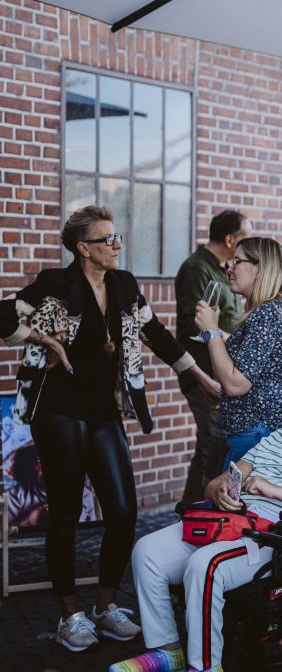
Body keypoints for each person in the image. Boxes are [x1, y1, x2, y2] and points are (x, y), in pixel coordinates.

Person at [0, 205, 219, 652]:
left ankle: (105, 606)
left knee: (123, 510)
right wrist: (43, 339)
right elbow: (3, 316)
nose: (118, 244)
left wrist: (202, 377)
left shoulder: (124, 285)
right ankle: (69, 614)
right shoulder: (54, 283)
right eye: (109, 239)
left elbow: (158, 335)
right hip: (58, 412)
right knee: (65, 513)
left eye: (117, 236)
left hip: (104, 413)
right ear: (83, 248)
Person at [111, 387, 282, 672]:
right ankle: (168, 650)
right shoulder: (276, 440)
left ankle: (206, 666)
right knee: (147, 551)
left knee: (206, 565)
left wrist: (274, 490)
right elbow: (217, 482)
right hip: (234, 521)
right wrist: (220, 492)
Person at [195, 237, 282, 467]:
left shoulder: (267, 313)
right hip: (268, 431)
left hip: (255, 435)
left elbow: (236, 385)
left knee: (234, 491)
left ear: (261, 268)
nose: (229, 268)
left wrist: (211, 331)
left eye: (237, 261)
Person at [175, 209, 253, 505]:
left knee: (215, 445)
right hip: (204, 373)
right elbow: (192, 324)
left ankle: (197, 507)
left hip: (224, 372)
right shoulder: (196, 268)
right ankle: (193, 510)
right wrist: (226, 338)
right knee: (210, 443)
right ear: (231, 240)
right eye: (246, 237)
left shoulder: (224, 269)